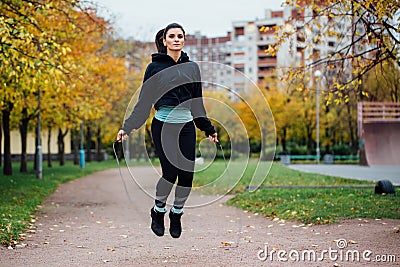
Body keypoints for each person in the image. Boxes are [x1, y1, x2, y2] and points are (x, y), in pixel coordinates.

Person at [117, 23, 218, 238]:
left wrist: (208, 128)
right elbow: (144, 102)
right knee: (171, 171)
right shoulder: (154, 68)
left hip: (187, 127)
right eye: (171, 36)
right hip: (163, 126)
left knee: (187, 175)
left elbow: (197, 103)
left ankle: (176, 214)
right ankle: (158, 211)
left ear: (184, 40)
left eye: (180, 36)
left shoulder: (192, 68)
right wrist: (128, 127)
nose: (176, 39)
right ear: (164, 41)